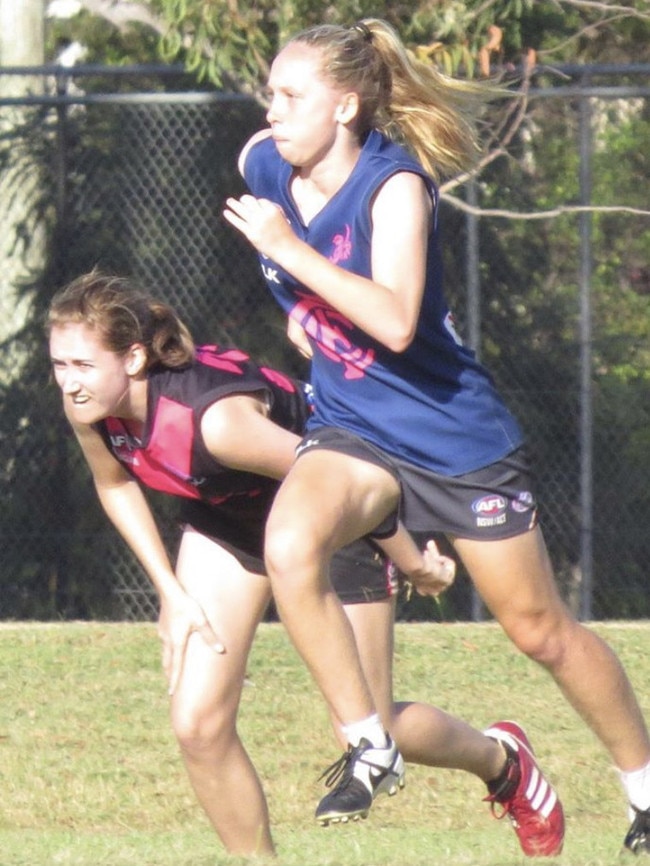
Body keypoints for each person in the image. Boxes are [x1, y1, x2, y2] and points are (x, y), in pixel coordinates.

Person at [222, 16, 650, 857]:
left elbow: (392, 317)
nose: (271, 110)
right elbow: (321, 295)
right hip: (352, 430)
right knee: (290, 544)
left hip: (453, 440)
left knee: (539, 632)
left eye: (290, 95)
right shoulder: (264, 160)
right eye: (271, 91)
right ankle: (369, 742)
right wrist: (304, 319)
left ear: (345, 106)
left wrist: (292, 261)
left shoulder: (395, 187)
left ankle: (643, 784)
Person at [47, 270, 552, 858]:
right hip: (231, 523)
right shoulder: (88, 409)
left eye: (82, 365)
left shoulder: (219, 425)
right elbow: (114, 486)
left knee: (367, 727)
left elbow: (337, 481)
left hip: (333, 526)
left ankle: (503, 762)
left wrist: (414, 563)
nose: (69, 382)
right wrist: (171, 594)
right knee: (197, 724)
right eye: (59, 364)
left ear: (133, 358)